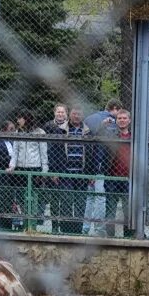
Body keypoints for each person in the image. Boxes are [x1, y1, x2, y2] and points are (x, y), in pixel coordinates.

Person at [82, 99, 121, 236]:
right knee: (100, 197)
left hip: (90, 164)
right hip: (100, 165)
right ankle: (99, 228)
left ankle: (85, 227)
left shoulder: (90, 118)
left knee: (91, 197)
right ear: (115, 108)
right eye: (118, 112)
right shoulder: (111, 121)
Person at [8, 110, 48, 231]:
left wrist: (44, 170)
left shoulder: (40, 132)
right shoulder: (17, 132)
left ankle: (33, 225)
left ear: (26, 119)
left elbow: (43, 152)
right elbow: (15, 151)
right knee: (21, 198)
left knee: (33, 198)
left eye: (20, 118)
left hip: (34, 168)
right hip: (20, 168)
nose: (17, 121)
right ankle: (25, 223)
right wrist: (12, 165)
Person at [103, 109, 134, 238]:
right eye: (119, 118)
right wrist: (103, 125)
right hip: (113, 177)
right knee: (110, 208)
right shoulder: (111, 134)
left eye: (124, 118)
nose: (122, 120)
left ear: (129, 120)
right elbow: (96, 135)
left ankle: (128, 237)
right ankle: (110, 237)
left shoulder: (134, 137)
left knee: (128, 210)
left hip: (129, 179)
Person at [59, 107, 90, 235]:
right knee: (66, 200)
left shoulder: (87, 131)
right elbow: (54, 151)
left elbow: (91, 154)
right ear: (70, 115)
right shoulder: (61, 130)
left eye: (79, 114)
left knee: (80, 202)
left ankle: (77, 229)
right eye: (74, 113)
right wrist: (56, 171)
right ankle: (66, 228)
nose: (76, 116)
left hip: (82, 172)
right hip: (65, 172)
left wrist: (91, 173)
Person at [43, 104, 70, 234]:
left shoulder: (69, 127)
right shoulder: (48, 126)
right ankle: (54, 225)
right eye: (58, 112)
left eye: (62, 112)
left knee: (65, 198)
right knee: (53, 199)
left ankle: (66, 226)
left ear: (66, 113)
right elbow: (49, 149)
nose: (60, 114)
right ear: (54, 113)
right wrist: (53, 171)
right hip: (50, 164)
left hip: (66, 167)